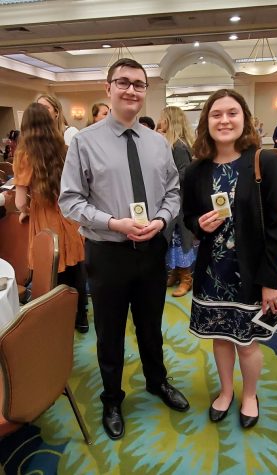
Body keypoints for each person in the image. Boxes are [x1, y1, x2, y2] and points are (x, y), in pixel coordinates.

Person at [59, 58, 190, 441]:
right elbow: (70, 201)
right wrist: (113, 222)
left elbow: (173, 192)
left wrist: (162, 220)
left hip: (152, 251)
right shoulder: (85, 142)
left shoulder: (158, 144)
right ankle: (112, 398)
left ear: (145, 92)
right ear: (108, 88)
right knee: (110, 331)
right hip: (108, 252)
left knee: (151, 324)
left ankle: (156, 381)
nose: (131, 90)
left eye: (138, 84)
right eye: (123, 82)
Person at [183, 89, 277, 429]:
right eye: (216, 114)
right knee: (221, 338)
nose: (224, 120)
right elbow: (188, 218)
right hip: (212, 271)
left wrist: (270, 281)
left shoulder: (263, 161)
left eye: (231, 113)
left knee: (247, 344)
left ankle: (249, 394)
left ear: (244, 119)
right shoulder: (196, 170)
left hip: (251, 272)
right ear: (206, 122)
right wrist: (198, 223)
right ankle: (226, 391)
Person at [13, 102, 88, 332]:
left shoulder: (24, 155)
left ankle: (58, 319)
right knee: (75, 266)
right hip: (69, 216)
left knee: (52, 269)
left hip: (45, 218)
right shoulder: (64, 148)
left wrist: (24, 211)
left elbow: (18, 201)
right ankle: (81, 317)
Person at [159, 106, 195, 297]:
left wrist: (162, 180)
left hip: (180, 202)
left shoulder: (178, 146)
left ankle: (186, 278)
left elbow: (184, 174)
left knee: (181, 240)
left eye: (163, 119)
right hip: (174, 200)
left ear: (170, 121)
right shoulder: (171, 143)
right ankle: (175, 273)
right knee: (172, 239)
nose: (160, 122)